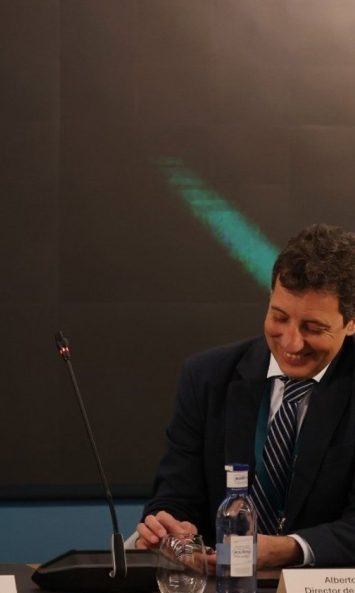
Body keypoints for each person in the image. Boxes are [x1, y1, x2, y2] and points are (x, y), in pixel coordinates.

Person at [137, 223, 355, 568]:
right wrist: (170, 528)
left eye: (313, 328)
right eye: (279, 317)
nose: (291, 342)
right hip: (221, 589)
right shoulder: (207, 377)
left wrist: (287, 548)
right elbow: (175, 497)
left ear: (351, 323)